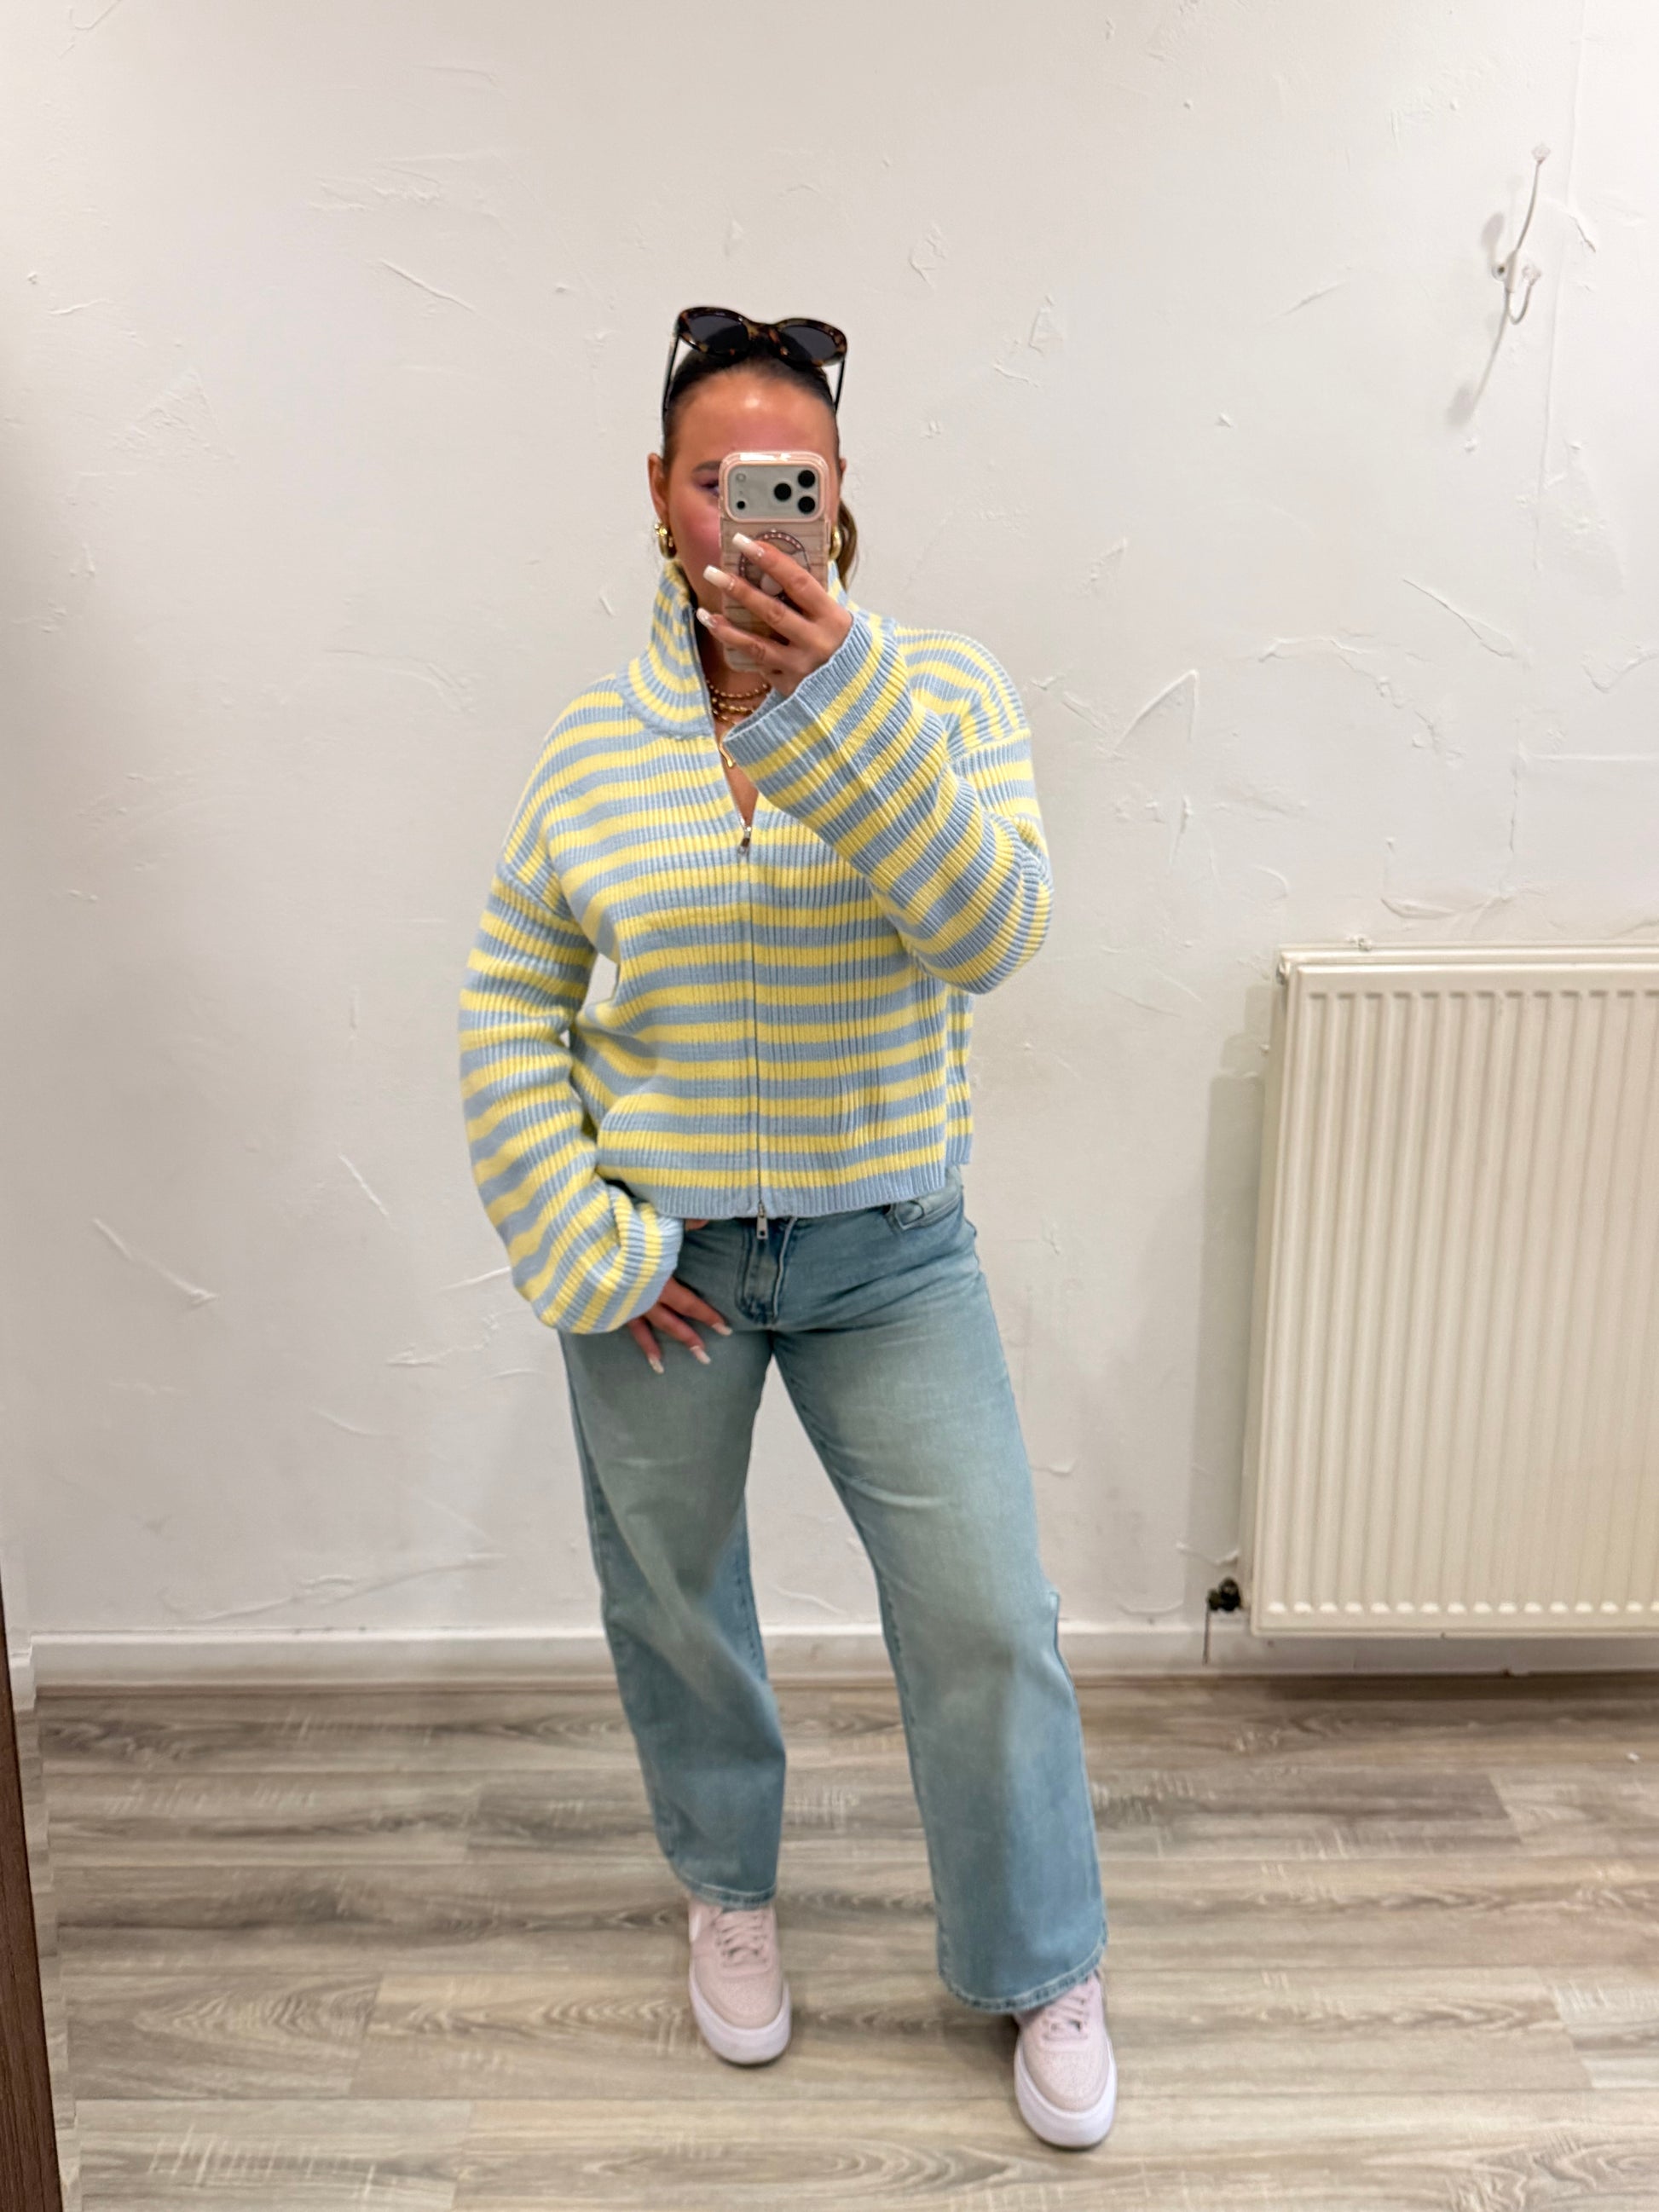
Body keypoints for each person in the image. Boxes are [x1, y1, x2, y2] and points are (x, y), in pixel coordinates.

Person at [457, 305, 1116, 2149]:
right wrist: (586, 1239)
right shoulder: (594, 747)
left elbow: (989, 929)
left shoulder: (941, 693)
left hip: (888, 1249)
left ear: (835, 495)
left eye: (788, 478)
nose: (748, 510)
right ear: (659, 494)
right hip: (663, 1263)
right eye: (712, 477)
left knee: (985, 1611)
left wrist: (839, 709)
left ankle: (1041, 1952)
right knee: (674, 1600)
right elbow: (509, 994)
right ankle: (726, 1890)